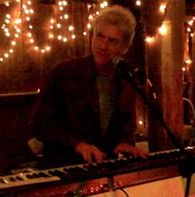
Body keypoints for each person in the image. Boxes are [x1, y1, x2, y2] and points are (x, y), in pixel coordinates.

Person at [29, 5, 148, 166]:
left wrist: (124, 142)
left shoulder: (126, 79)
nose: (102, 46)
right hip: (63, 165)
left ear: (124, 47)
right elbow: (40, 124)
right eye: (99, 36)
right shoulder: (63, 72)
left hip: (103, 168)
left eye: (112, 41)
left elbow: (126, 125)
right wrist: (77, 145)